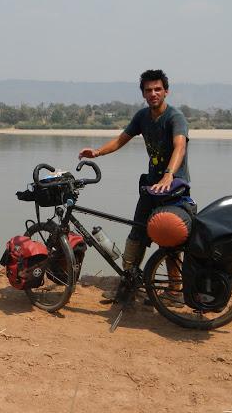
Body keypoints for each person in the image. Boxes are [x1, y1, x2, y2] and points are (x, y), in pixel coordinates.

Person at [78, 69, 189, 302]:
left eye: (157, 89)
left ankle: (174, 290)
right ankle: (128, 284)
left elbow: (180, 146)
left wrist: (169, 175)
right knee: (136, 234)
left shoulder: (175, 118)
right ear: (143, 94)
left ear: (166, 91)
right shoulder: (142, 117)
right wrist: (97, 152)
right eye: (148, 90)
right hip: (151, 187)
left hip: (174, 186)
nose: (153, 93)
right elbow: (121, 140)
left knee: (170, 238)